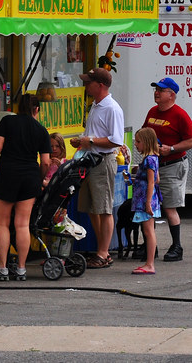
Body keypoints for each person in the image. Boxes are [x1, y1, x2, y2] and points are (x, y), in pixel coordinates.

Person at [0, 94, 51, 281]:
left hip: (7, 174)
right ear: (36, 109)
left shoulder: (7, 121)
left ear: (18, 107)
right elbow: (45, 162)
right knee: (22, 224)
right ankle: (21, 268)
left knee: (2, 223)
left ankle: (3, 268)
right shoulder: (41, 130)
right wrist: (40, 179)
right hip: (29, 177)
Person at [71, 67, 125, 269]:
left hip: (102, 161)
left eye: (89, 82)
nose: (86, 85)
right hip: (90, 160)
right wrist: (85, 141)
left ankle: (103, 252)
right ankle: (102, 248)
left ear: (100, 85)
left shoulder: (112, 108)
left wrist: (90, 140)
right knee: (92, 207)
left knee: (104, 208)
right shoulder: (96, 105)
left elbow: (115, 140)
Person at [142, 76, 192, 262]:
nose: (156, 93)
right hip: (153, 166)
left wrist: (171, 149)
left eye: (161, 90)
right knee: (150, 206)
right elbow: (145, 133)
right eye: (155, 89)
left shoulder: (179, 115)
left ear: (171, 95)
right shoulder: (152, 112)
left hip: (172, 165)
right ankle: (151, 246)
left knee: (169, 207)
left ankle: (177, 246)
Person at [129, 127, 161, 276]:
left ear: (146, 142)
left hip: (145, 200)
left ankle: (150, 264)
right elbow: (157, 179)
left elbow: (151, 182)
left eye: (138, 141)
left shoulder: (149, 160)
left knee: (148, 232)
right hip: (148, 199)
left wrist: (148, 202)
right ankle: (149, 263)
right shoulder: (154, 158)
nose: (136, 144)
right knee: (149, 231)